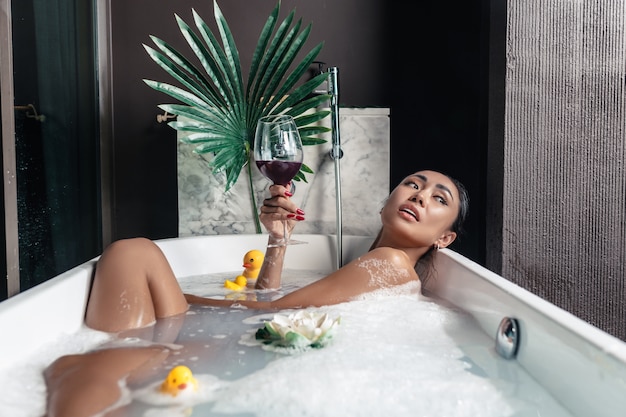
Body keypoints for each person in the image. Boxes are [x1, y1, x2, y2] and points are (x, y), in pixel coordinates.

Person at [44, 169, 469, 417]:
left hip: (237, 350)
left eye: (438, 198)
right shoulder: (375, 267)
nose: (419, 195)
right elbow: (274, 305)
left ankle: (109, 368)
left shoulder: (390, 265)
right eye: (413, 184)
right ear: (386, 202)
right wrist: (279, 239)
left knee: (125, 270)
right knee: (128, 261)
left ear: (444, 238)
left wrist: (186, 296)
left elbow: (270, 309)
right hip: (247, 344)